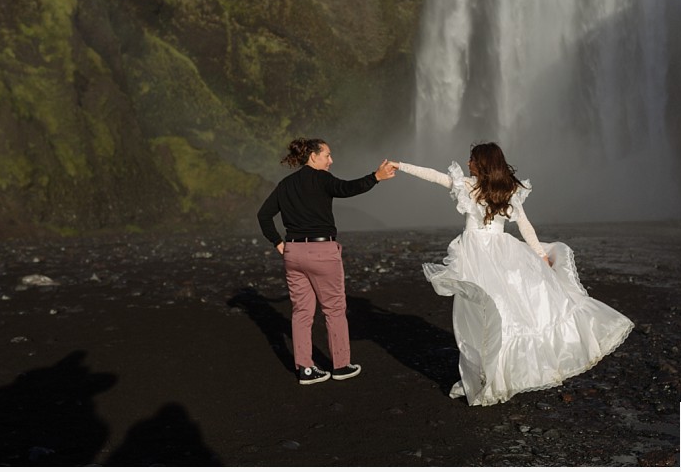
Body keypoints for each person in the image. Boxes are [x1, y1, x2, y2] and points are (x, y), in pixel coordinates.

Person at [388, 142, 633, 406]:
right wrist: (401, 166)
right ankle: (493, 375)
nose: (467, 162)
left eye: (471, 159)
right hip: (495, 253)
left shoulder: (480, 188)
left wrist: (541, 255)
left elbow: (523, 225)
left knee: (488, 314)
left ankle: (495, 377)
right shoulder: (498, 189)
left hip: (482, 257)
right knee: (495, 313)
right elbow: (523, 225)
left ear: (481, 163)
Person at [258, 137, 396, 385]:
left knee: (301, 313)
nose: (331, 160)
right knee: (334, 310)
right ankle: (341, 366)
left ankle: (306, 370)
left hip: (294, 253)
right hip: (323, 252)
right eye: (327, 155)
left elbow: (263, 215)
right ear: (313, 156)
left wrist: (279, 244)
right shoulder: (322, 179)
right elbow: (347, 189)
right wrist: (376, 176)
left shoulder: (286, 184)